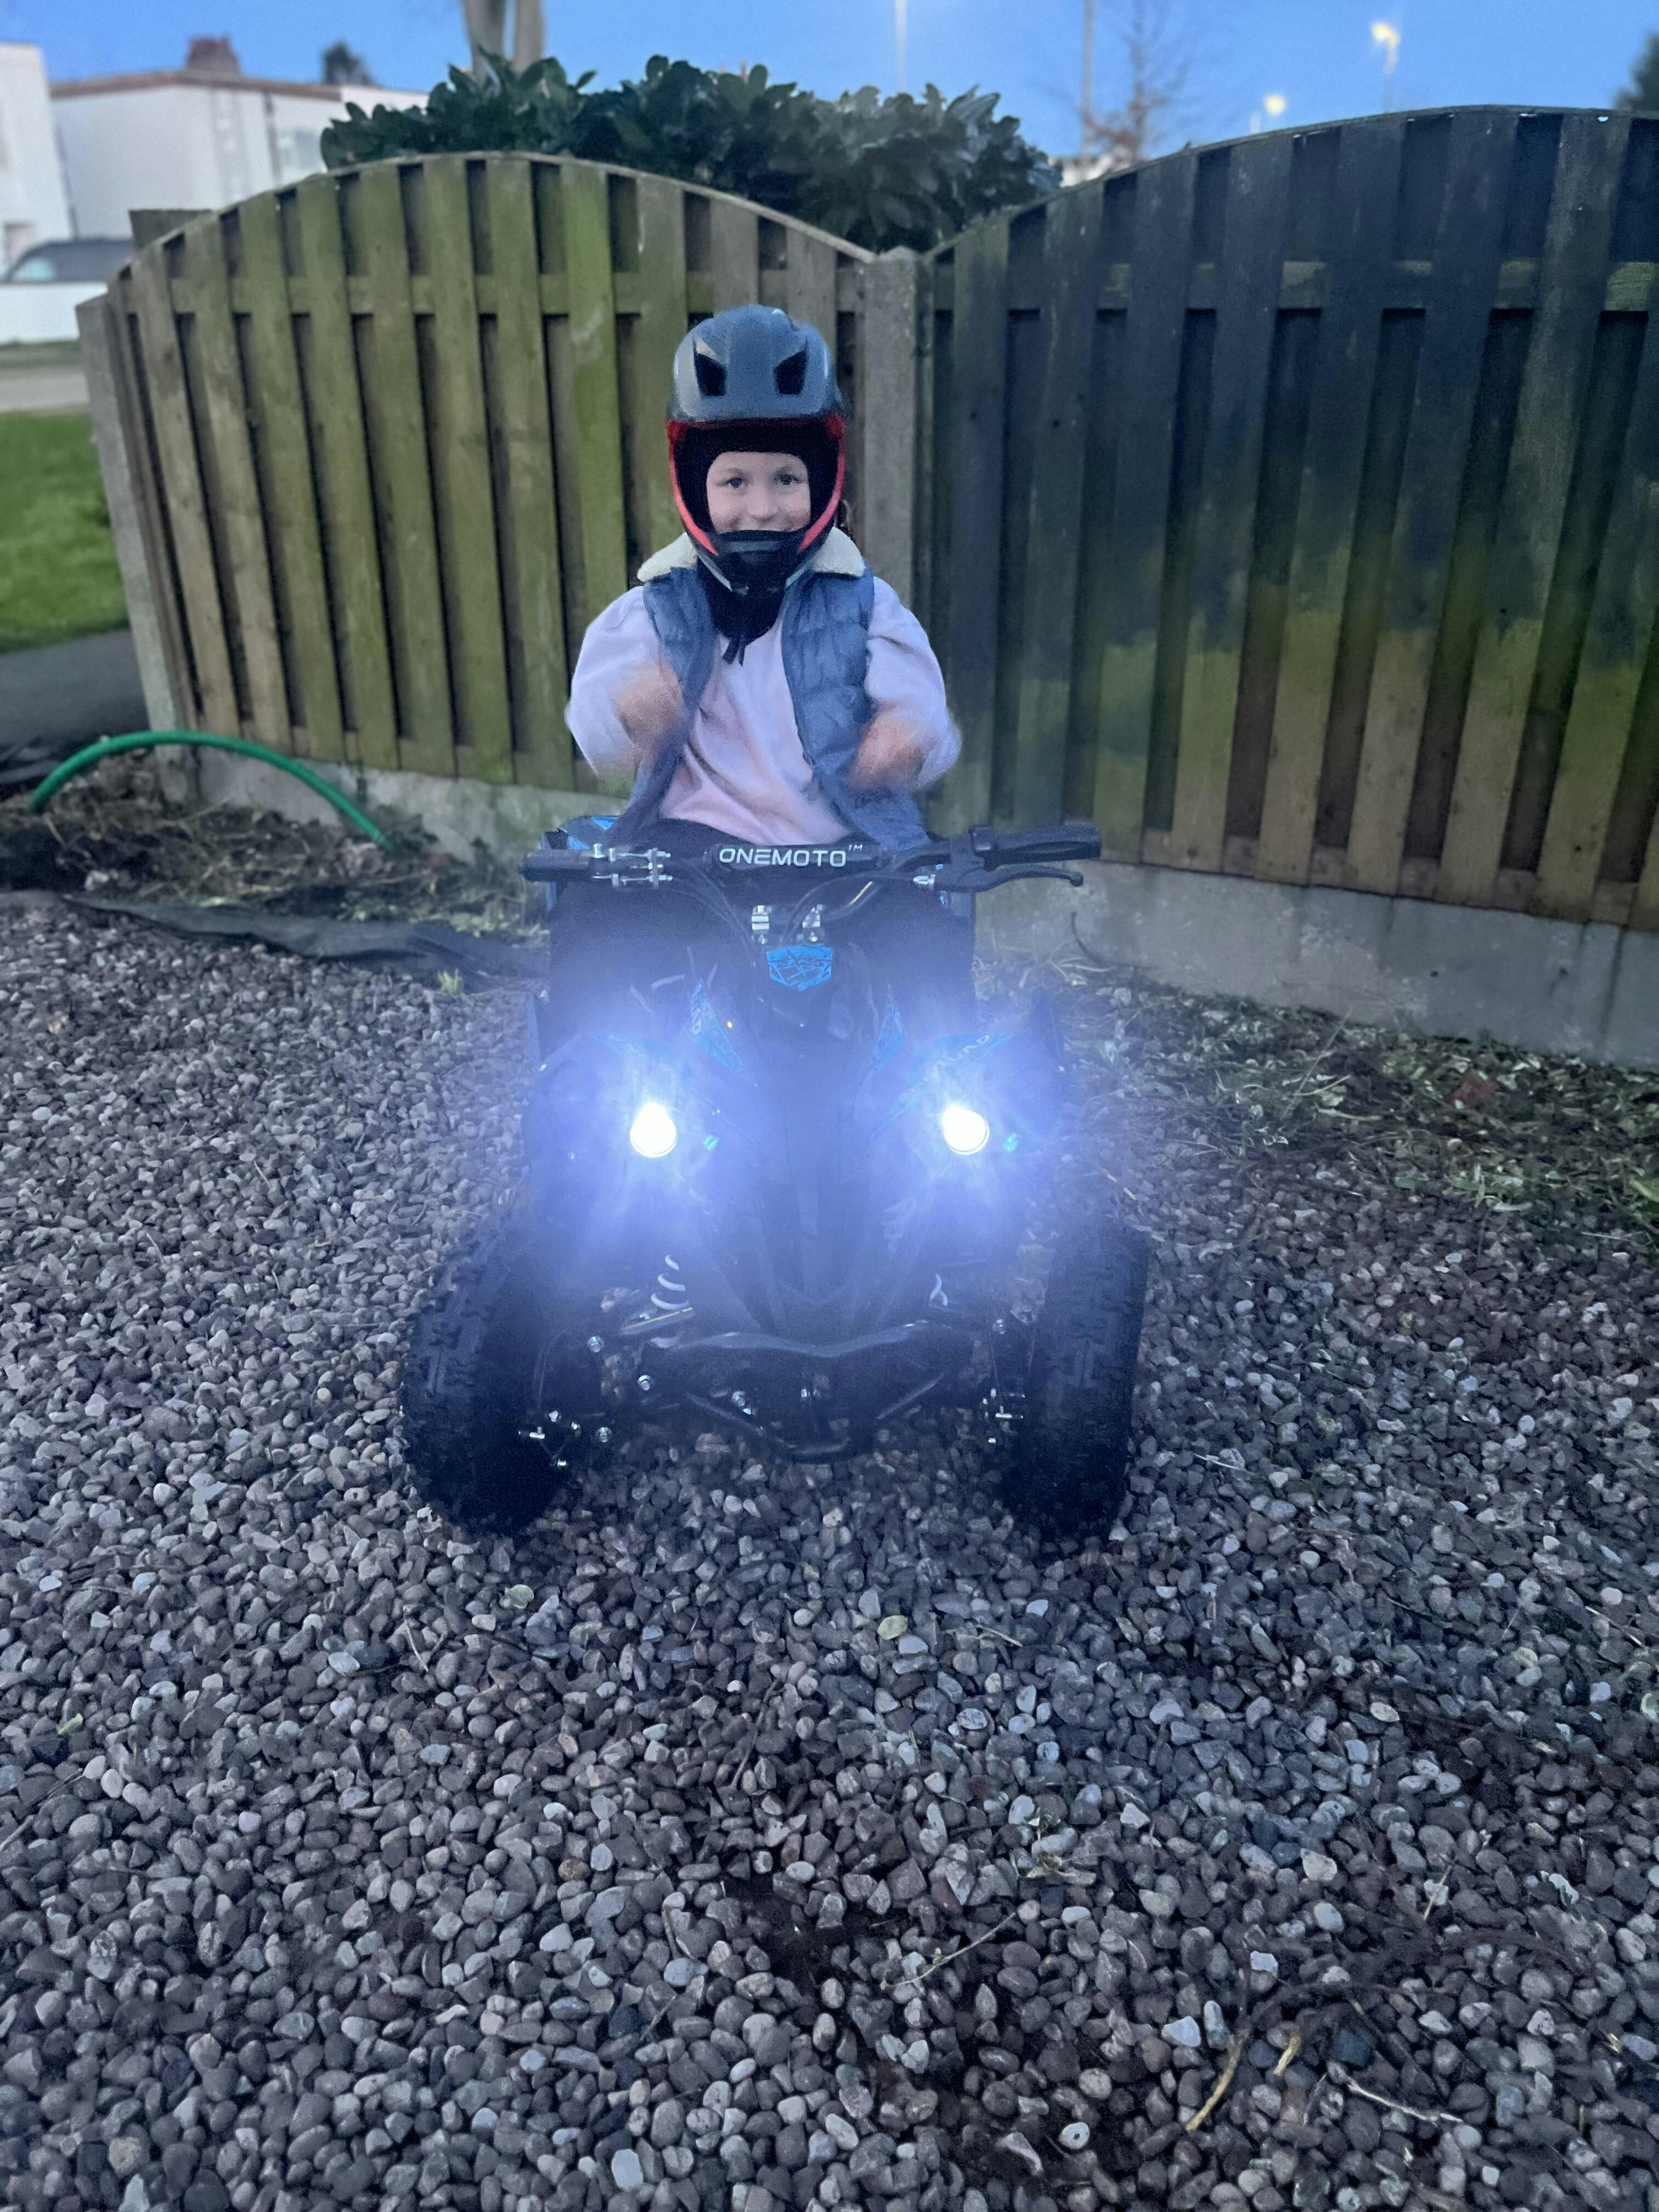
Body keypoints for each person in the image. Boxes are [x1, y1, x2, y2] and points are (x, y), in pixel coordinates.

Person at [550, 303, 968, 1035]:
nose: (763, 507)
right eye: (734, 482)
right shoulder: (651, 609)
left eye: (786, 479)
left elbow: (921, 710)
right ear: (695, 488)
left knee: (928, 938)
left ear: (823, 483)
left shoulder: (865, 603)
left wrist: (907, 737)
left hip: (841, 852)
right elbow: (595, 727)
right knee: (594, 926)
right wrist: (629, 711)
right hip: (693, 856)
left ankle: (939, 1082)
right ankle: (585, 1087)